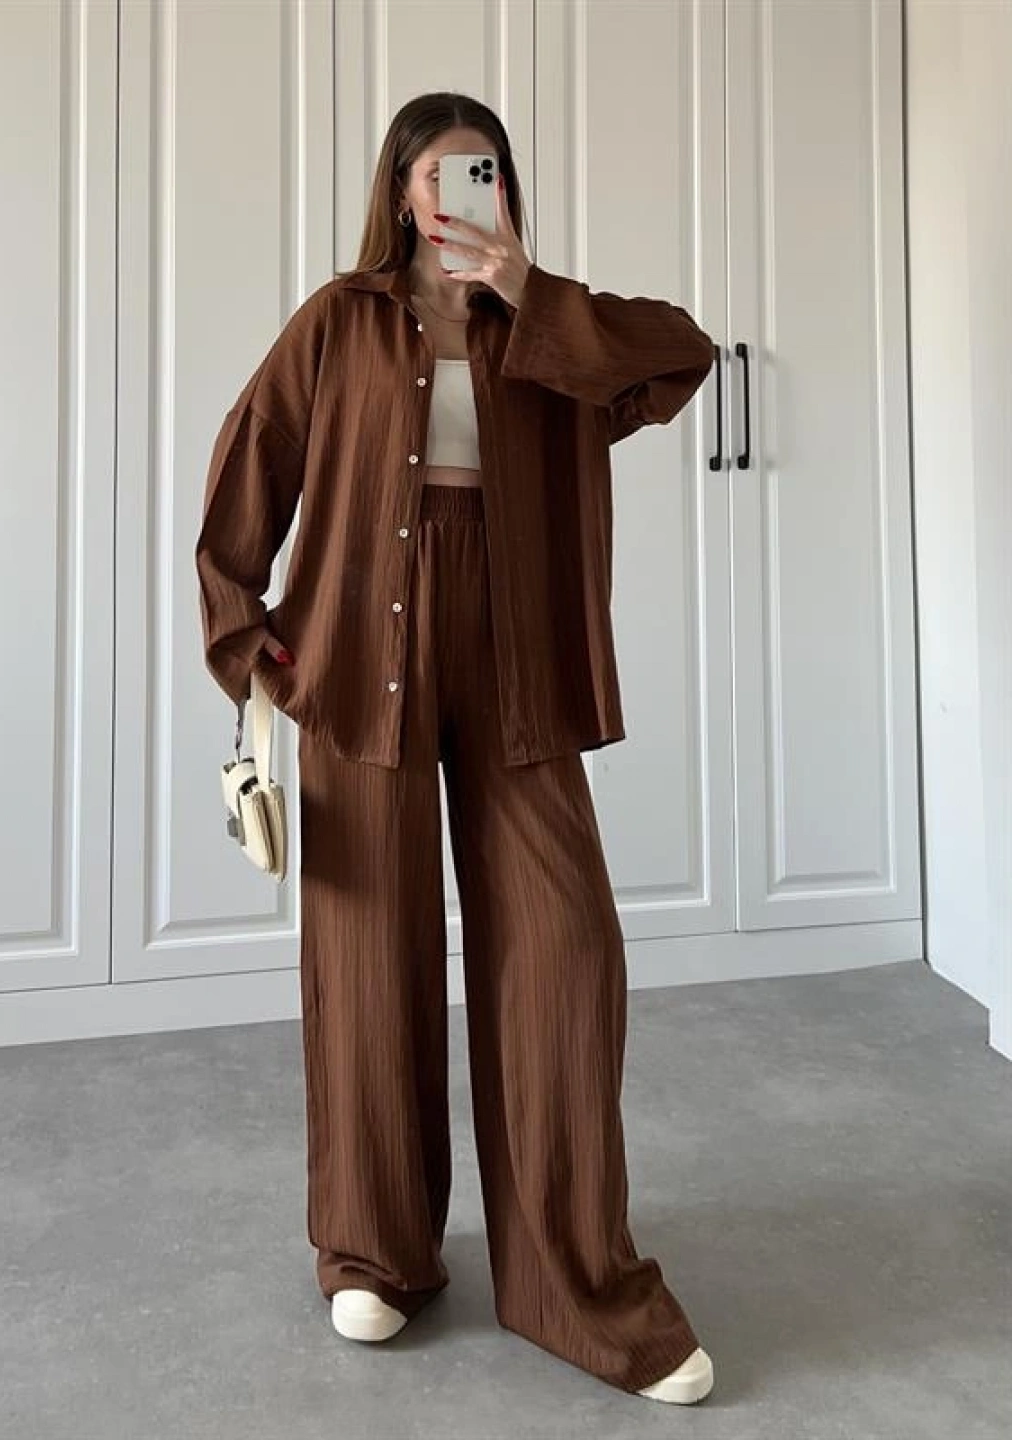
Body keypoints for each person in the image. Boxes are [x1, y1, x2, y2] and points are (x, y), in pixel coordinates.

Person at [195, 91, 716, 1405]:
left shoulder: (549, 330)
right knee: (367, 955)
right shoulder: (342, 320)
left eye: (481, 171)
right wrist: (250, 637)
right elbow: (252, 462)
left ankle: (571, 1279)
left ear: (505, 190)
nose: (458, 192)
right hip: (355, 648)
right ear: (399, 192)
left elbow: (682, 355)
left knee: (564, 951)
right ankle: (374, 1251)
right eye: (437, 173)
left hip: (515, 651)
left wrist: (529, 289)